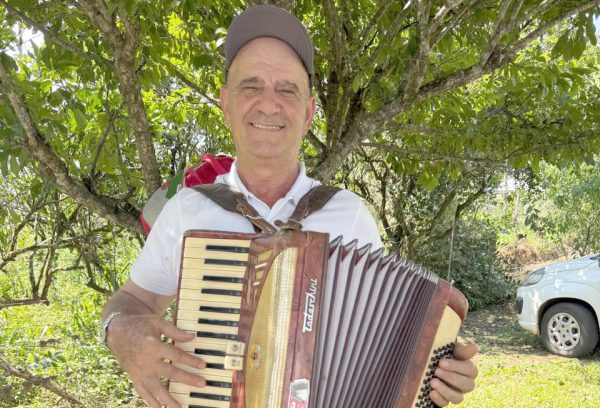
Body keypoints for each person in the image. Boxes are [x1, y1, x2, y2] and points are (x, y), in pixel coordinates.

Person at [102, 5, 478, 408]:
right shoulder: (187, 210)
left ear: (309, 112)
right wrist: (119, 330)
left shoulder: (349, 214)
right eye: (251, 86)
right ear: (226, 104)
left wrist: (437, 378)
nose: (269, 104)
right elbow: (132, 302)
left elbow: (386, 350)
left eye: (287, 89)